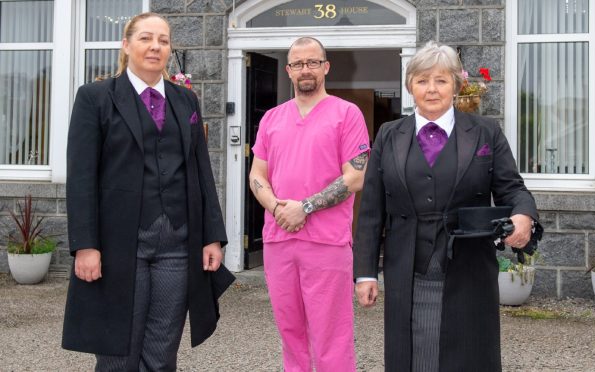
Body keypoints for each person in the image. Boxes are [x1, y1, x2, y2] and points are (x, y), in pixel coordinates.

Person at [61, 12, 232, 371]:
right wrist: (85, 245)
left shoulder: (186, 102)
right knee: (117, 351)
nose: (155, 46)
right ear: (126, 45)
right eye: (146, 38)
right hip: (119, 244)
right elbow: (81, 178)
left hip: (177, 245)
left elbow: (201, 172)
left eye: (164, 40)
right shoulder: (95, 98)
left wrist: (211, 237)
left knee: (161, 350)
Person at [353, 41, 539, 371]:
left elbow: (513, 189)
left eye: (441, 80)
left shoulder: (485, 133)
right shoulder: (388, 135)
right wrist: (366, 273)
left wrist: (523, 215)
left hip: (468, 266)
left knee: (468, 354)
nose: (432, 89)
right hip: (408, 266)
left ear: (455, 84)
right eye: (422, 80)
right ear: (410, 85)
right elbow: (371, 209)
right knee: (414, 354)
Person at [249, 37, 370, 371]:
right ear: (288, 70)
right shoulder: (272, 119)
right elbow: (257, 174)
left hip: (326, 243)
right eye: (298, 63)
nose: (306, 69)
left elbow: (355, 177)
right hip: (279, 241)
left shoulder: (347, 114)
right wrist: (276, 208)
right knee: (291, 335)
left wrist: (305, 207)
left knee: (332, 336)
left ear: (325, 67)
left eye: (313, 62)